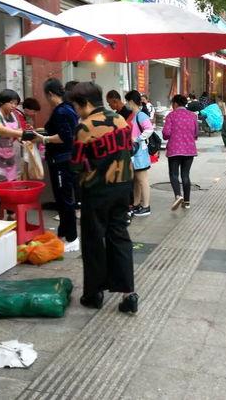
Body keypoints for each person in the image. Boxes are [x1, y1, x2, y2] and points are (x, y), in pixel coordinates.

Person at [69, 82, 138, 313]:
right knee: (119, 236)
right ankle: (129, 294)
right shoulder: (120, 119)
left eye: (76, 106)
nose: (76, 111)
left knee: (93, 241)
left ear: (84, 103)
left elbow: (76, 164)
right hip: (123, 187)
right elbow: (129, 148)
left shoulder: (85, 127)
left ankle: (94, 294)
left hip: (97, 190)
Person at [33, 78, 79, 251]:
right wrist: (42, 133)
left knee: (65, 200)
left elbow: (65, 137)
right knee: (61, 199)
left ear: (50, 94)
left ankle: (72, 238)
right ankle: (63, 233)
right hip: (62, 159)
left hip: (62, 161)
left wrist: (43, 138)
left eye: (46, 96)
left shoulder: (61, 111)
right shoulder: (67, 108)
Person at [0, 89, 27, 218]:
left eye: (16, 103)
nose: (14, 106)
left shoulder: (13, 115)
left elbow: (17, 131)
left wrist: (23, 139)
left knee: (10, 185)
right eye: (11, 103)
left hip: (7, 156)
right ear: (2, 102)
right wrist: (22, 134)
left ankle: (10, 213)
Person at [162, 94, 198, 210]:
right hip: (189, 149)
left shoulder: (171, 116)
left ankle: (178, 195)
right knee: (185, 175)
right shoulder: (192, 116)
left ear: (175, 104)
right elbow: (196, 133)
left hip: (174, 150)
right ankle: (187, 202)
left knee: (174, 174)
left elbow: (166, 134)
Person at [125, 90, 154, 217]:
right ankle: (136, 204)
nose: (126, 104)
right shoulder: (134, 114)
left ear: (131, 102)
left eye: (127, 101)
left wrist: (136, 139)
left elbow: (149, 129)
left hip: (140, 152)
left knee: (142, 180)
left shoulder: (141, 115)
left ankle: (146, 206)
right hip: (135, 152)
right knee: (137, 180)